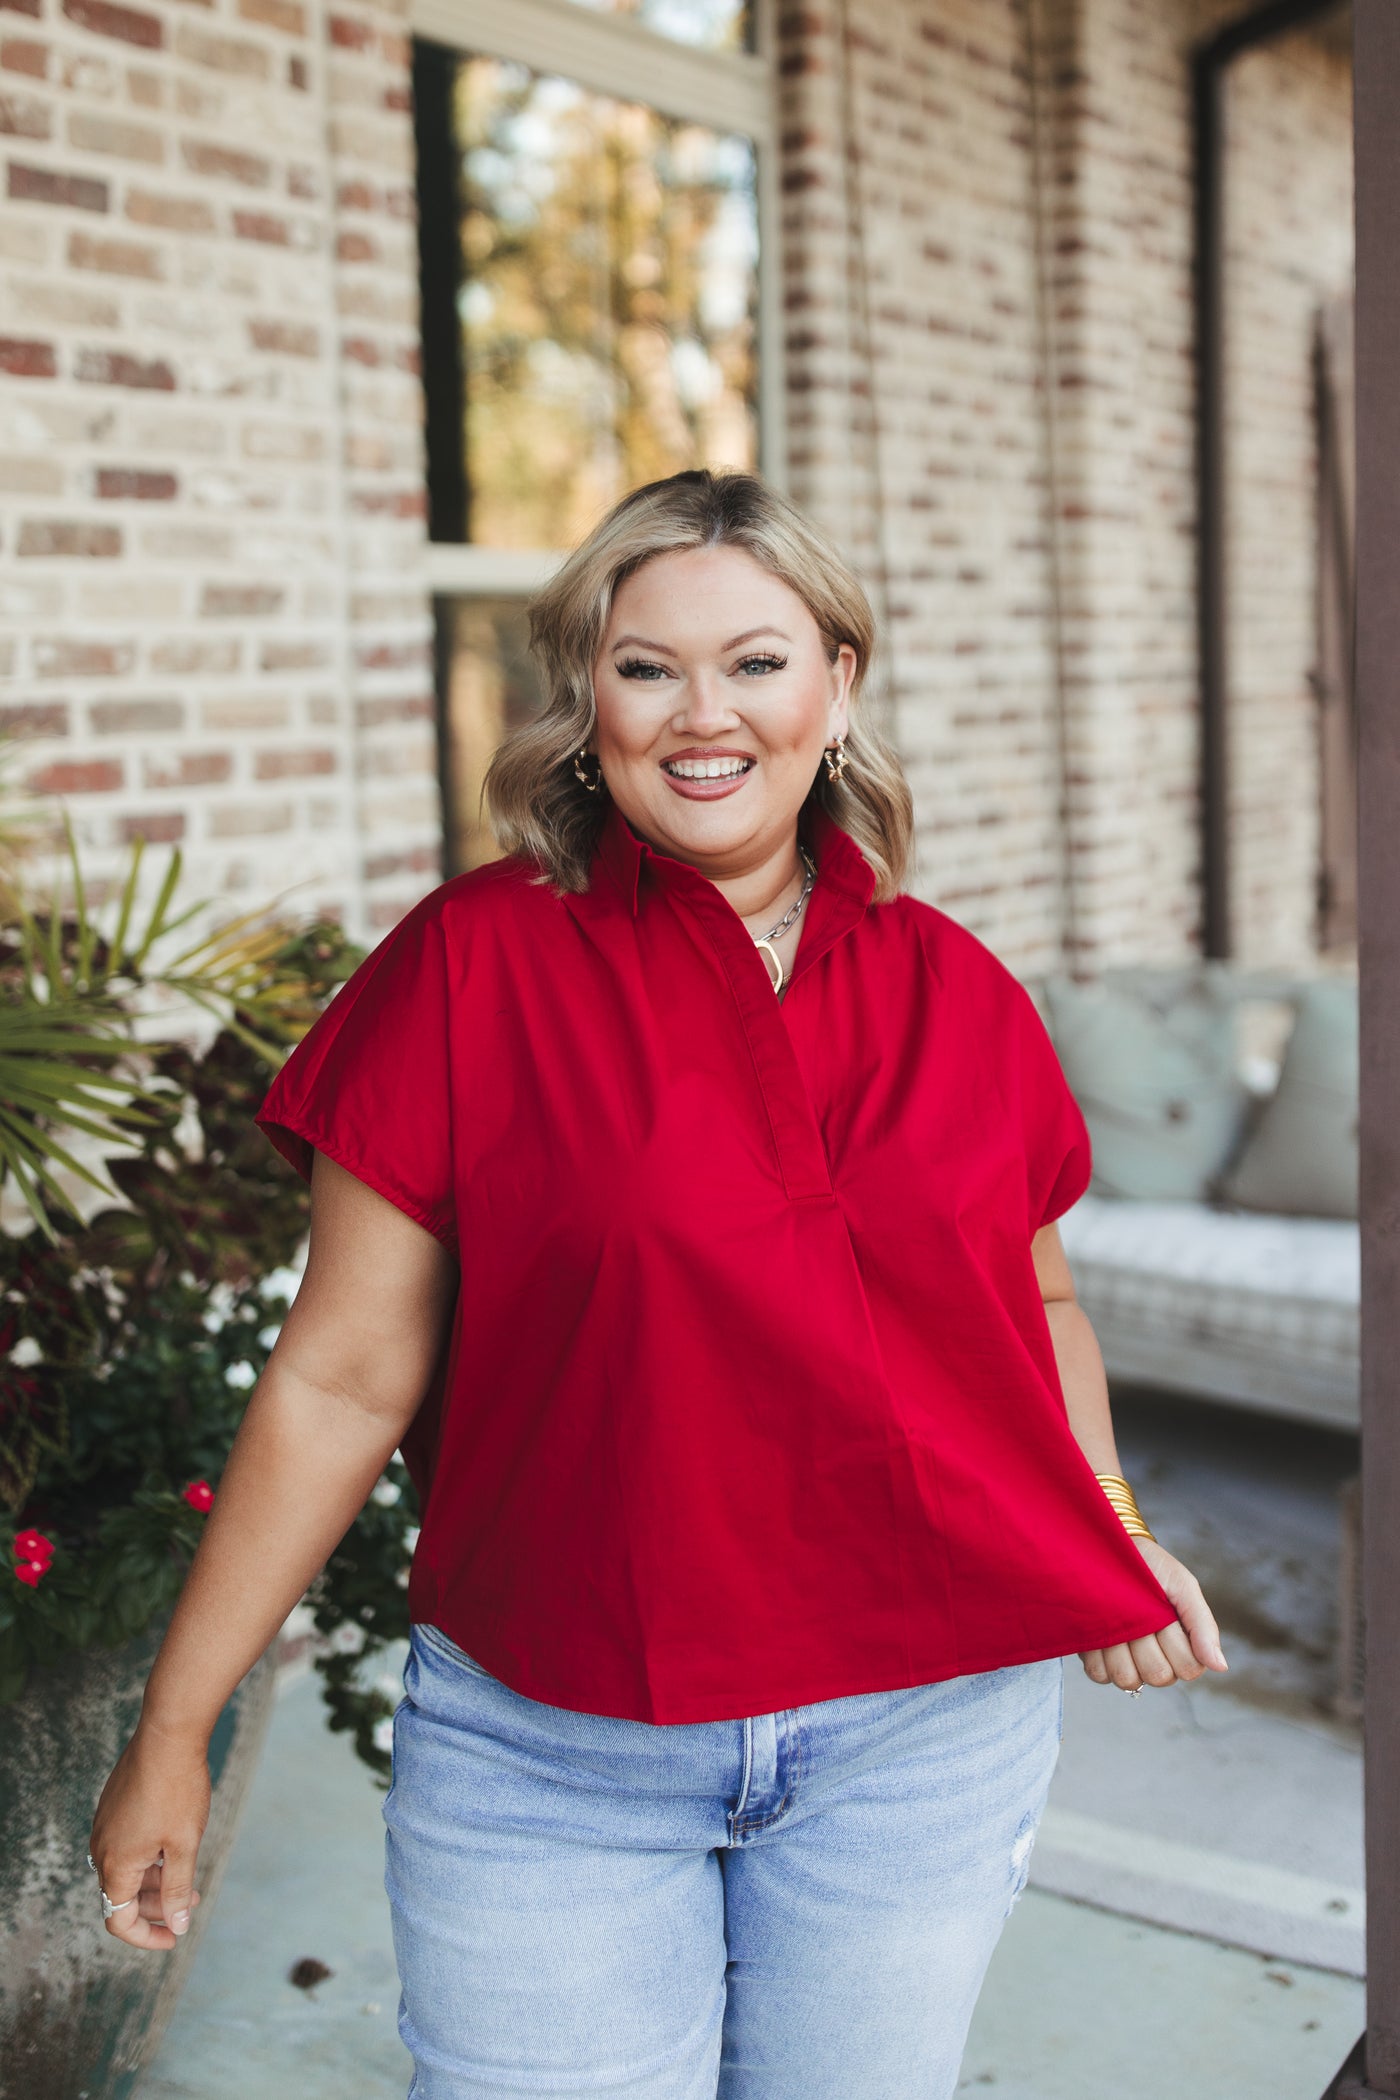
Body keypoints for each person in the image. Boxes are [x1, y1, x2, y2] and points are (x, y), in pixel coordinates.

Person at [88, 469, 1227, 2098]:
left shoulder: (959, 993)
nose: (706, 716)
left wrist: (1104, 1531)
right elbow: (341, 1379)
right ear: (588, 701)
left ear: (838, 685)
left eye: (757, 662)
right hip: (557, 1748)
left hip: (920, 1740)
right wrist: (173, 1730)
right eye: (649, 666)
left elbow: (1034, 1310)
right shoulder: (470, 967)